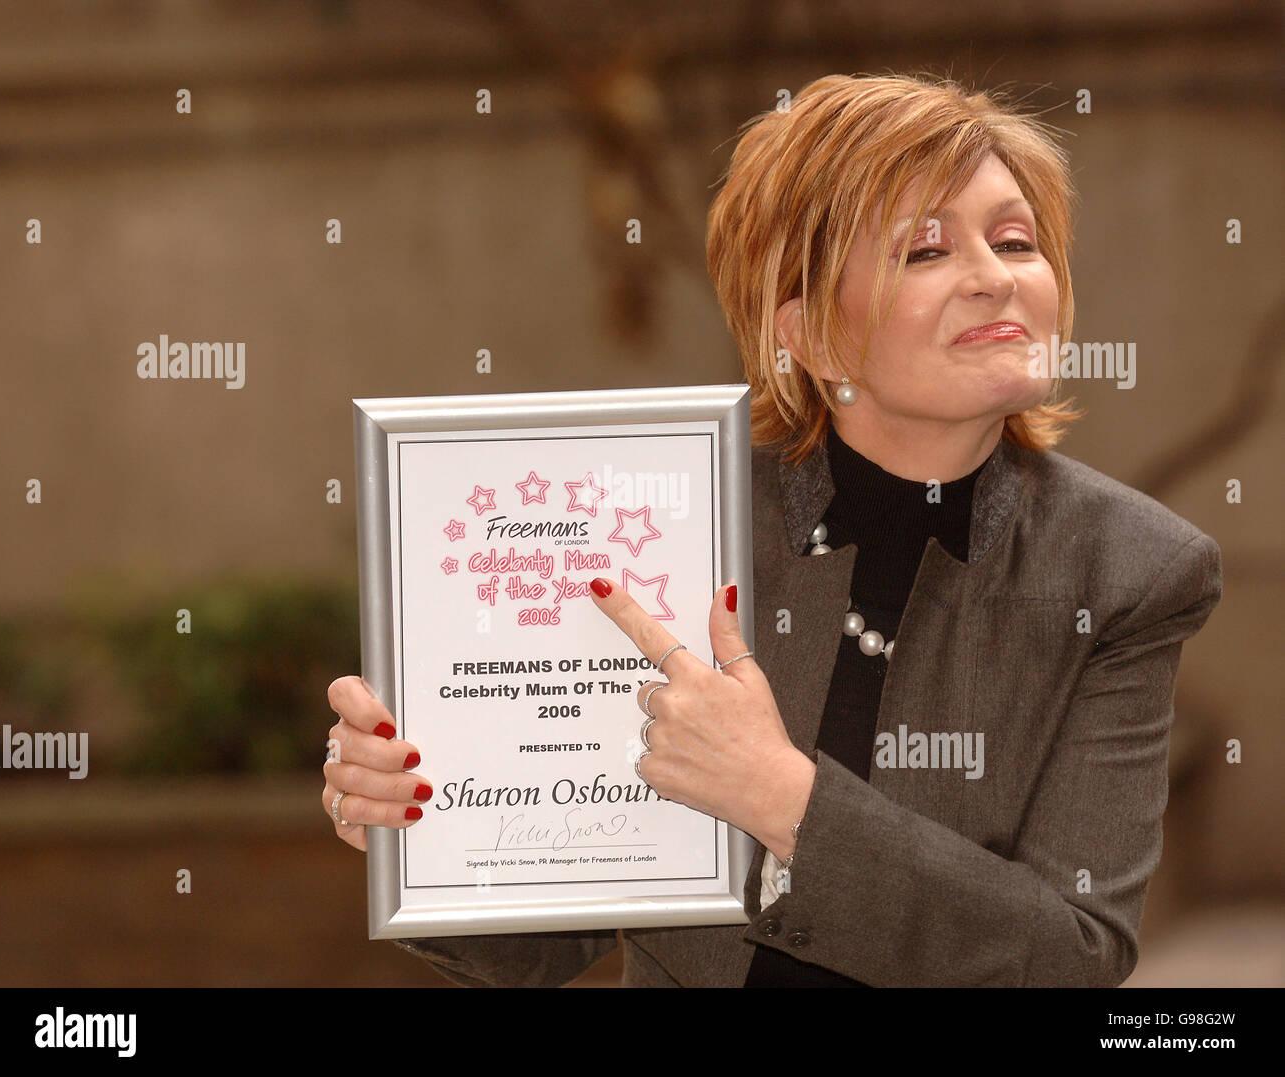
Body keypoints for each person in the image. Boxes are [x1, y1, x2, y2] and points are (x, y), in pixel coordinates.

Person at [321, 73, 1223, 987]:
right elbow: (536, 948)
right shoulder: (668, 529)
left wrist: (785, 798)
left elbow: (1070, 959)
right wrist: (415, 827)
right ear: (813, 336)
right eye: (925, 251)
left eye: (1016, 241)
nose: (995, 278)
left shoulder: (1131, 572)